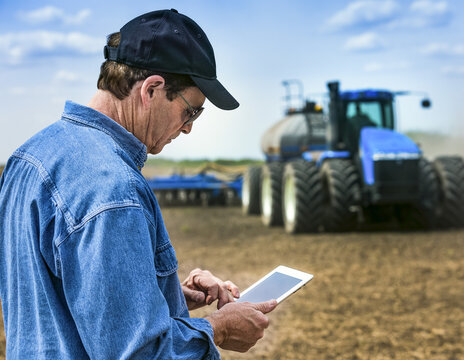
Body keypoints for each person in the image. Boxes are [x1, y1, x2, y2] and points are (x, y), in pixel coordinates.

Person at [0, 9, 277, 359]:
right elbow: (140, 353)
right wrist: (218, 327)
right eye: (191, 111)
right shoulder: (112, 189)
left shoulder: (27, 158)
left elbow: (58, 298)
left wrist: (167, 295)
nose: (189, 127)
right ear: (152, 89)